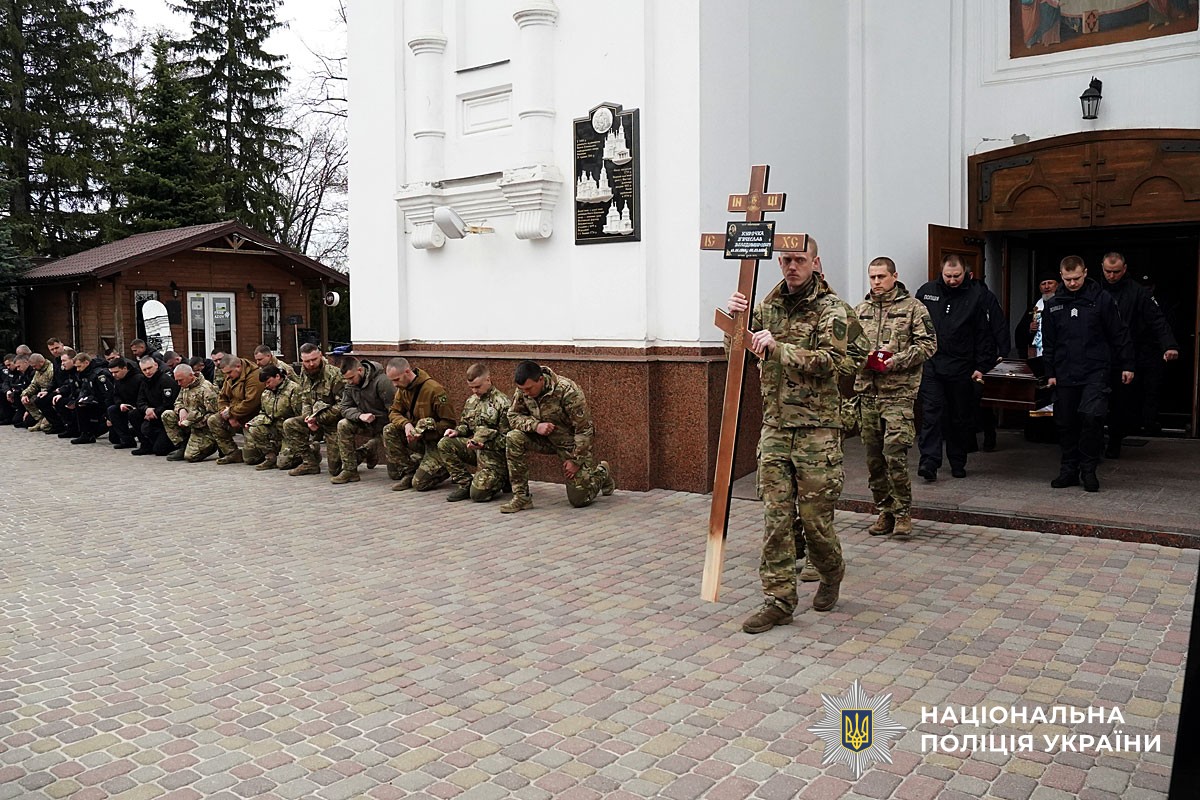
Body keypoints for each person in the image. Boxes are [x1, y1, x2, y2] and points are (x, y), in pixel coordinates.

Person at [726, 240, 848, 634]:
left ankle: (831, 571)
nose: (792, 266)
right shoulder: (768, 307)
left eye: (800, 259)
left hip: (816, 432)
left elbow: (833, 361)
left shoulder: (831, 309)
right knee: (776, 518)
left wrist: (780, 349)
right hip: (776, 429)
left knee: (814, 522)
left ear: (815, 261)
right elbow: (738, 354)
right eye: (786, 260)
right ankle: (779, 600)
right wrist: (734, 324)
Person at [853, 257, 937, 538]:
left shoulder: (914, 308)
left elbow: (929, 345)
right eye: (872, 277)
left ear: (894, 276)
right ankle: (884, 511)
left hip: (898, 394)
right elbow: (849, 346)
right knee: (874, 459)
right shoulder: (861, 310)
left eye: (881, 276)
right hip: (867, 394)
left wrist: (897, 360)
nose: (876, 282)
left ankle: (903, 513)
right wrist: (859, 359)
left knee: (895, 456)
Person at [1042, 255, 1134, 493]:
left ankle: (1089, 469)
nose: (1073, 283)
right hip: (1064, 371)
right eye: (1068, 279)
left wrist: (1127, 363)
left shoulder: (1101, 299)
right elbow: (1049, 342)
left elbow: (1119, 333)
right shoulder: (1053, 304)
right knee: (1066, 422)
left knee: (1091, 418)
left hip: (1095, 370)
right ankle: (1068, 470)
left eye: (1076, 278)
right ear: (1061, 276)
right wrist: (1049, 372)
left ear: (1085, 273)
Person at [915, 254, 996, 481]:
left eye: (957, 276)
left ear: (965, 273)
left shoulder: (976, 295)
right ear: (941, 272)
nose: (952, 280)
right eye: (948, 276)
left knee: (959, 417)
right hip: (932, 364)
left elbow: (983, 334)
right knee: (931, 414)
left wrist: (982, 365)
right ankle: (929, 462)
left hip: (962, 367)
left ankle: (958, 461)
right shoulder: (926, 292)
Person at [1099, 252, 1179, 457]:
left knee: (1120, 402)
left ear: (1124, 269)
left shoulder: (1137, 292)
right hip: (1097, 354)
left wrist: (1169, 345)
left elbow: (1157, 320)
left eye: (1116, 272)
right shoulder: (1094, 289)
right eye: (1108, 271)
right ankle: (1094, 442)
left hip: (1125, 354)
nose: (1112, 276)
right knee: (1094, 401)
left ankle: (1114, 442)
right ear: (1102, 268)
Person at [438, 362, 511, 502]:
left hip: (495, 457)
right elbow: (466, 425)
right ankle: (465, 483)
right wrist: (457, 432)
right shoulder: (471, 401)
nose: (474, 391)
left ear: (488, 380)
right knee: (445, 443)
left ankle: (503, 478)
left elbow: (508, 439)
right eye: (471, 387)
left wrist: (484, 445)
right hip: (475, 449)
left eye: (478, 387)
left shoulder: (502, 403)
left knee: (478, 495)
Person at [383, 357, 454, 491]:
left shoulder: (434, 390)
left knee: (420, 484)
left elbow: (449, 423)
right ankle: (409, 472)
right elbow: (394, 412)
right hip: (417, 439)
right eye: (392, 381)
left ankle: (445, 468)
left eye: (396, 379)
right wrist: (406, 424)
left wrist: (427, 428)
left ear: (407, 372)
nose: (394, 384)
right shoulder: (402, 390)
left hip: (435, 443)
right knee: (389, 429)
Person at [282, 343, 345, 476]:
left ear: (320, 355)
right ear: (302, 360)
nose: (311, 364)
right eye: (307, 361)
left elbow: (342, 406)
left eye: (314, 359)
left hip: (333, 423)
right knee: (290, 424)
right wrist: (308, 417)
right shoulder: (304, 373)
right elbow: (305, 398)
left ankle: (366, 451)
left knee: (334, 470)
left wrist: (318, 419)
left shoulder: (335, 375)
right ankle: (309, 462)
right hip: (314, 419)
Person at [330, 356, 395, 484]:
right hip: (365, 423)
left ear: (360, 370)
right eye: (346, 379)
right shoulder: (350, 385)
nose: (349, 382)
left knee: (396, 474)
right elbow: (344, 407)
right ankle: (350, 471)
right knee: (343, 424)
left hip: (385, 425)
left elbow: (395, 409)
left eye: (351, 378)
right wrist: (359, 415)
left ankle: (370, 447)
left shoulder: (382, 382)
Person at [244, 364, 305, 470]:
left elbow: (300, 416)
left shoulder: (294, 390)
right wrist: (253, 422)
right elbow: (264, 413)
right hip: (275, 428)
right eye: (265, 383)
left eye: (268, 382)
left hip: (290, 432)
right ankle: (270, 457)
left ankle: (309, 450)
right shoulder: (267, 393)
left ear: (277, 376)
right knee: (254, 429)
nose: (266, 385)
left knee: (283, 464)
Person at [208, 354, 266, 464]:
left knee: (251, 459)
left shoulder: (254, 376)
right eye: (226, 373)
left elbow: (251, 403)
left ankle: (263, 450)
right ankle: (232, 453)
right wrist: (227, 414)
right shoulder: (231, 376)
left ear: (238, 366)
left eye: (229, 372)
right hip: (236, 415)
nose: (227, 376)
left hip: (252, 419)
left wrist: (231, 413)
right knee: (213, 420)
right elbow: (222, 397)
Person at [161, 364, 220, 462]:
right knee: (167, 415)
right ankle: (182, 446)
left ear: (191, 376)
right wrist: (181, 410)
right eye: (177, 380)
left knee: (191, 456)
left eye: (180, 380)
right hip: (188, 423)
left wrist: (190, 421)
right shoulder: (185, 386)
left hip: (203, 428)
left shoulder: (206, 388)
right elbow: (178, 402)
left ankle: (213, 445)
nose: (178, 383)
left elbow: (213, 414)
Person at [1014, 272, 1061, 377]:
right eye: (1043, 284)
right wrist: (1029, 328)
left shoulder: (1063, 304)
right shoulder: (1035, 307)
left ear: (1057, 285)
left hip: (1057, 356)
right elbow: (1019, 332)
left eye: (1050, 283)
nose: (1047, 287)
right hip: (1038, 357)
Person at [133, 355, 179, 456]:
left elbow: (169, 404)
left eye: (149, 368)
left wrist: (154, 412)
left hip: (165, 418)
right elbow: (140, 401)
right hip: (151, 415)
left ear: (156, 365)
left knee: (159, 450)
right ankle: (146, 445)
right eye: (144, 370)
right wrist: (146, 409)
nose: (147, 372)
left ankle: (174, 444)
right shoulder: (145, 381)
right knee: (134, 414)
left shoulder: (166, 381)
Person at [68, 352, 114, 444]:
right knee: (79, 404)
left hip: (104, 403)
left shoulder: (99, 374)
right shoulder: (86, 373)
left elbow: (108, 394)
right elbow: (85, 389)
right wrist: (81, 399)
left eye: (79, 366)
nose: (77, 369)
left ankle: (94, 431)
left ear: (86, 363)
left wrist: (108, 416)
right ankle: (86, 434)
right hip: (95, 399)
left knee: (114, 439)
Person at [106, 358, 145, 448]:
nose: (114, 375)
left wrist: (137, 406)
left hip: (139, 407)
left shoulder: (138, 378)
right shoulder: (117, 379)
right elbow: (116, 395)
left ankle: (143, 440)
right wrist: (120, 404)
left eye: (116, 372)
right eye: (112, 372)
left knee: (133, 414)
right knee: (112, 410)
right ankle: (127, 440)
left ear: (124, 368)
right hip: (125, 406)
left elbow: (143, 395)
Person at [20, 353, 56, 431]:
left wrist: (47, 391)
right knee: (27, 400)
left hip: (50, 395)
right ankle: (40, 419)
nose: (33, 368)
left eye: (34, 366)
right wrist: (25, 394)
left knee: (44, 427)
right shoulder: (38, 371)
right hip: (41, 395)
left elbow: (54, 385)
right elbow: (34, 385)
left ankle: (49, 421)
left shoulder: (51, 370)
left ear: (41, 362)